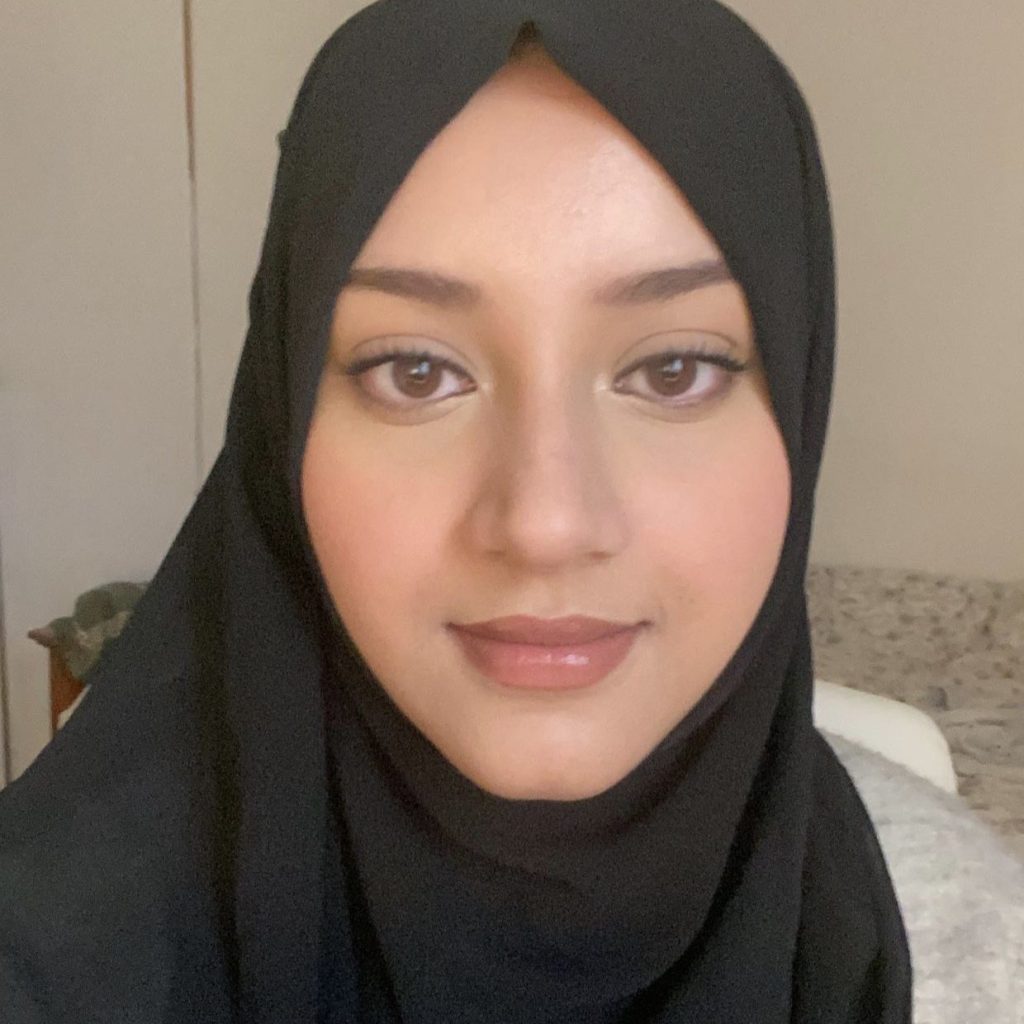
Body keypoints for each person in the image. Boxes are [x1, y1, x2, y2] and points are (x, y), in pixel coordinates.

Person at [1, 2, 1020, 1021]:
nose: (544, 524)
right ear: (283, 418)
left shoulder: (967, 956)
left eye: (673, 369)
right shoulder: (54, 942)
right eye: (414, 371)